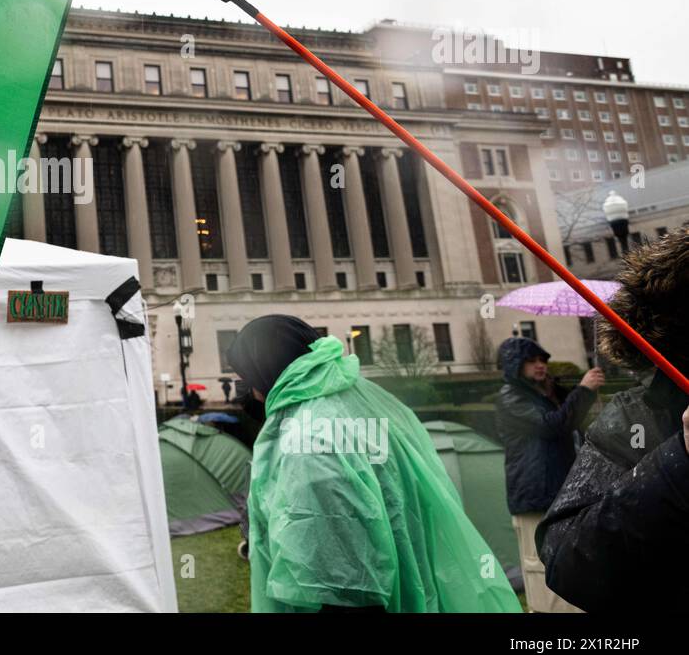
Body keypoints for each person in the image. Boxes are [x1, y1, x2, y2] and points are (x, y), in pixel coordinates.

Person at [229, 315, 520, 613]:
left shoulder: (310, 437)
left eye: (250, 380)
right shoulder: (358, 401)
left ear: (265, 372)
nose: (252, 394)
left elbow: (342, 582)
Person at [537, 227, 689, 611]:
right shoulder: (643, 415)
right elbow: (567, 560)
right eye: (533, 362)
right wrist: (677, 461)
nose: (540, 368)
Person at [494, 335, 602, 612]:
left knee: (561, 553)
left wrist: (578, 395)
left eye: (542, 360)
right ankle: (543, 609)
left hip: (555, 488)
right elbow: (551, 426)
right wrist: (584, 390)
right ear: (515, 365)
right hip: (534, 492)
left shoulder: (542, 393)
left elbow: (568, 423)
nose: (540, 365)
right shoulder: (511, 397)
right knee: (537, 559)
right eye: (531, 361)